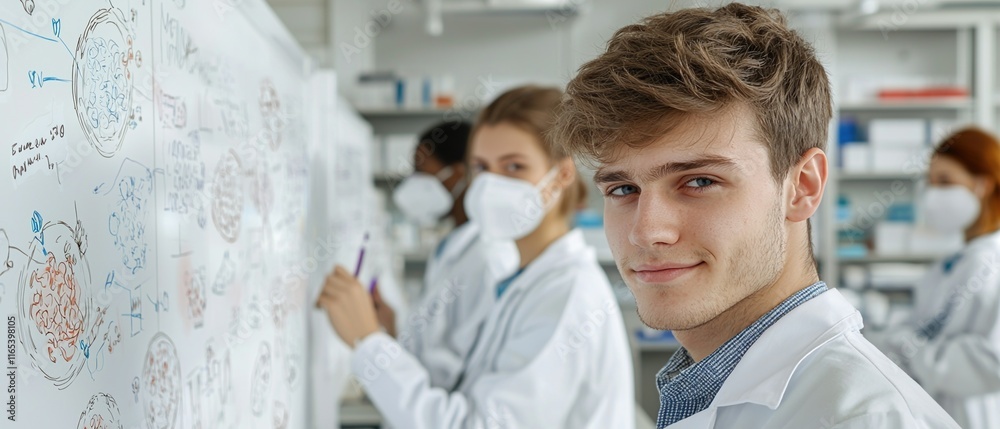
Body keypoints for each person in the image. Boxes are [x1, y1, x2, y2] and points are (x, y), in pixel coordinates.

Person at [551, 3, 958, 428]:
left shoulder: (865, 419)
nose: (646, 231)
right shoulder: (703, 389)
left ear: (803, 187)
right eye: (623, 189)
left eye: (700, 181)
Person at [318, 86, 635, 427]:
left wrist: (369, 344)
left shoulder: (568, 294)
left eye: (514, 166)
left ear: (562, 174)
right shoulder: (520, 279)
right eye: (482, 168)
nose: (491, 186)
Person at [867, 127, 1000, 429]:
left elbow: (994, 363)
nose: (934, 193)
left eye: (945, 181)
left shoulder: (991, 261)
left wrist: (907, 347)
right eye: (930, 182)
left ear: (983, 184)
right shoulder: (955, 262)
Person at [385, 120, 519, 390]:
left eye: (421, 171)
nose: (414, 182)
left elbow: (459, 367)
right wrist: (391, 330)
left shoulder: (489, 257)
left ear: (459, 174)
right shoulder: (449, 247)